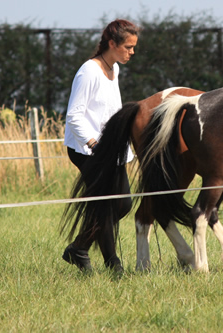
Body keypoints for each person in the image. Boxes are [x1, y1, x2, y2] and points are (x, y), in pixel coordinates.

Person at [62, 18, 139, 272]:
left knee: (121, 204)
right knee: (109, 205)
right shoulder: (89, 71)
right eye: (128, 47)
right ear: (111, 43)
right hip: (87, 149)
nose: (132, 52)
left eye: (133, 47)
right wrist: (94, 143)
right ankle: (112, 264)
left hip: (110, 150)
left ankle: (79, 248)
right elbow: (74, 115)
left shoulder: (114, 69)